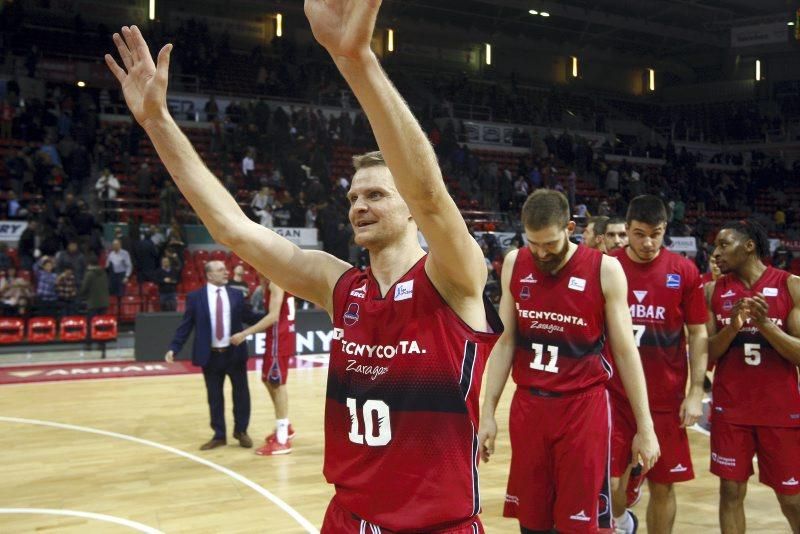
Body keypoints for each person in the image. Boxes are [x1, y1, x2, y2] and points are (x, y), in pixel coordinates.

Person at [106, 7, 501, 530]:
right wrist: (157, 123)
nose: (359, 205)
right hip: (346, 517)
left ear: (406, 207)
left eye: (377, 194)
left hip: (435, 524)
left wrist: (355, 60)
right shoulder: (340, 286)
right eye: (353, 196)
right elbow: (232, 229)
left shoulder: (454, 277)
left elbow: (429, 193)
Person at [479, 189, 660, 534]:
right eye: (534, 243)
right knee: (532, 524)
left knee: (578, 525)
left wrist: (645, 426)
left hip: (583, 410)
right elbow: (504, 342)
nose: (541, 252)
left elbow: (625, 352)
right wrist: (487, 413)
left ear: (570, 228)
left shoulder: (605, 270)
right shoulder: (516, 262)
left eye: (550, 243)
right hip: (529, 408)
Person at [606, 195, 708, 534]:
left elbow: (697, 334)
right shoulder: (607, 266)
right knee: (610, 479)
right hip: (614, 396)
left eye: (656, 233)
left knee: (664, 486)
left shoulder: (684, 271)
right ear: (628, 229)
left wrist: (695, 391)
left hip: (666, 398)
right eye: (639, 234)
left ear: (666, 230)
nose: (648, 242)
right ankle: (621, 521)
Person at [705, 220, 800, 534]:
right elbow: (707, 354)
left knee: (791, 499)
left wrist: (766, 325)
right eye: (715, 246)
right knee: (730, 492)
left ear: (749, 246)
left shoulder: (791, 285)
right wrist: (733, 327)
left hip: (780, 411)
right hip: (730, 411)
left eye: (723, 244)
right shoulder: (711, 291)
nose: (715, 252)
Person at [165, 261, 262, 450]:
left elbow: (250, 317)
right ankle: (219, 435)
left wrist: (273, 316)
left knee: (242, 395)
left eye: (226, 269)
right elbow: (186, 325)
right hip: (210, 356)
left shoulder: (236, 295)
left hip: (234, 354)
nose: (226, 272)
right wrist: (174, 348)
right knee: (214, 397)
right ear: (209, 275)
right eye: (220, 270)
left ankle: (241, 431)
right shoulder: (195, 297)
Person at [231, 280, 297, 456]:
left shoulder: (276, 282)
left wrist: (245, 333)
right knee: (267, 379)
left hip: (279, 339)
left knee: (277, 383)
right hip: (277, 338)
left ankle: (282, 439)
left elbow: (274, 316)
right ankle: (286, 426)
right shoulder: (272, 280)